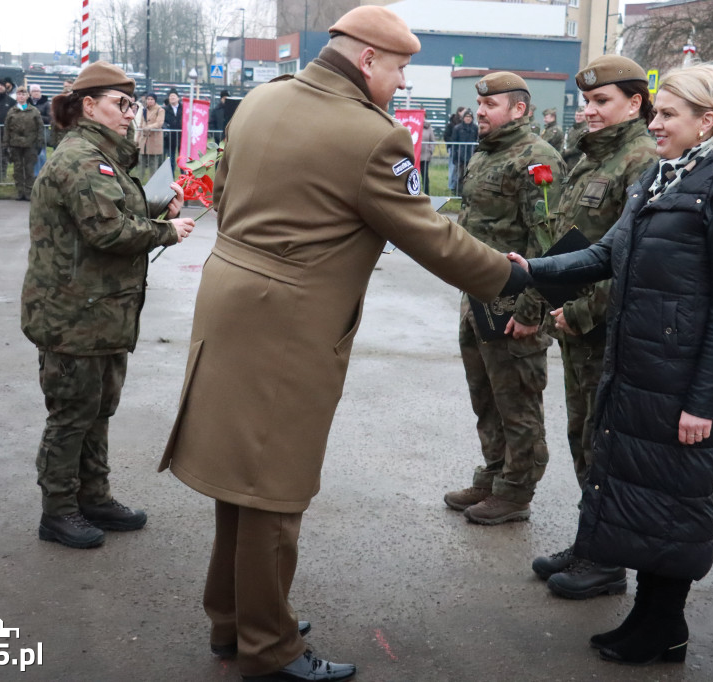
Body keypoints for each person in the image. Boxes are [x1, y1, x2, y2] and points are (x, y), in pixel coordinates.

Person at [157, 7, 530, 681]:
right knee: (274, 488)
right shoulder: (371, 135)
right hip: (288, 324)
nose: (403, 80)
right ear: (367, 60)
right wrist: (511, 276)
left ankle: (234, 620)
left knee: (240, 480)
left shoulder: (263, 99)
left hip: (229, 300)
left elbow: (229, 192)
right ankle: (268, 648)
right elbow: (431, 236)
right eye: (400, 67)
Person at [510, 62, 713, 667]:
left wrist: (703, 401)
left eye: (668, 114)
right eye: (657, 113)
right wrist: (531, 270)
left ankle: (665, 627)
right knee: (645, 496)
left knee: (675, 502)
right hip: (638, 370)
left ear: (707, 121)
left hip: (680, 382)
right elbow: (606, 254)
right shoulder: (659, 178)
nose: (656, 124)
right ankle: (649, 620)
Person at [20, 61, 195, 550]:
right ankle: (58, 511)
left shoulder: (101, 156)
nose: (129, 113)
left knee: (97, 411)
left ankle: (93, 497)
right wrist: (166, 231)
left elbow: (113, 209)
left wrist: (156, 206)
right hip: (73, 316)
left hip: (99, 313)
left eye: (131, 104)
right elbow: (106, 229)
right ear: (89, 106)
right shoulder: (81, 158)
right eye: (121, 104)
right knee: (72, 415)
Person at [529, 55, 657, 599]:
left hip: (603, 329)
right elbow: (574, 239)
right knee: (582, 437)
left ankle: (607, 561)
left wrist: (580, 312)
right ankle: (592, 541)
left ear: (635, 103)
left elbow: (634, 257)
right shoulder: (592, 156)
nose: (589, 111)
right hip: (576, 326)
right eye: (587, 101)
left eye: (602, 101)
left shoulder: (641, 159)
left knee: (602, 444)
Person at [442, 72, 564, 525]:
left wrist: (532, 311)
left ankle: (516, 491)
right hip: (477, 297)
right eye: (479, 105)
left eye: (490, 106)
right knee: (486, 396)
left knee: (518, 400)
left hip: (516, 302)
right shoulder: (485, 154)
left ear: (519, 109)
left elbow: (548, 243)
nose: (480, 113)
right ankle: (493, 475)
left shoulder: (537, 159)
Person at [4, 85, 44, 200]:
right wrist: (5, 144)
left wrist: (39, 142)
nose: (21, 96)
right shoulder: (11, 111)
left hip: (30, 144)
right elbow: (7, 128)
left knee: (29, 169)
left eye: (23, 94)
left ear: (27, 96)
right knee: (18, 169)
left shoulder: (34, 111)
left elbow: (40, 127)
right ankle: (20, 191)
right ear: (16, 96)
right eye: (19, 94)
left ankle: (29, 191)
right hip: (15, 144)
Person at [137, 92, 165, 178]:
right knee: (141, 162)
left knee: (153, 163)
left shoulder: (160, 110)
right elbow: (141, 124)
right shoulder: (144, 110)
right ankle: (139, 181)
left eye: (152, 99)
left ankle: (153, 181)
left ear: (155, 100)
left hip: (154, 141)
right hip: (143, 141)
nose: (150, 101)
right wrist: (137, 139)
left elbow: (159, 123)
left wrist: (149, 127)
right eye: (148, 99)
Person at [449, 108, 477, 192]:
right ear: (463, 118)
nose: (468, 118)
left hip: (471, 156)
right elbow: (454, 143)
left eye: (470, 117)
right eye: (466, 117)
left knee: (470, 175)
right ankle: (458, 191)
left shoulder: (475, 128)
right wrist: (454, 156)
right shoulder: (457, 128)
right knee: (459, 175)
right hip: (460, 156)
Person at [29, 83, 51, 176]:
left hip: (42, 132)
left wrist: (37, 116)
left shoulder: (46, 103)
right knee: (32, 154)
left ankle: (43, 173)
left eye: (38, 91)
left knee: (41, 154)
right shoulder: (27, 103)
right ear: (30, 93)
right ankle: (34, 174)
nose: (36, 93)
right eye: (34, 91)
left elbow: (49, 118)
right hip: (29, 131)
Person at [444, 105, 465, 192]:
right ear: (459, 112)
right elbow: (446, 136)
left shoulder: (464, 124)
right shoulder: (451, 124)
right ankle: (451, 186)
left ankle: (458, 186)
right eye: (464, 111)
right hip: (453, 148)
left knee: (460, 168)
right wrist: (453, 143)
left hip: (462, 149)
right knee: (453, 167)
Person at [163, 88, 182, 174]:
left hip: (181, 137)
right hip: (170, 138)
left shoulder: (184, 108)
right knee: (171, 159)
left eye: (174, 96)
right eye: (170, 96)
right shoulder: (165, 109)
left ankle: (184, 177)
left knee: (182, 159)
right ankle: (171, 177)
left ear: (178, 98)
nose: (172, 98)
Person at [420, 114, 435, 194]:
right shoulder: (413, 126)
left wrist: (430, 150)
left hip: (425, 156)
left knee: (425, 175)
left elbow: (432, 141)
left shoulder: (428, 128)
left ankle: (426, 193)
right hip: (413, 156)